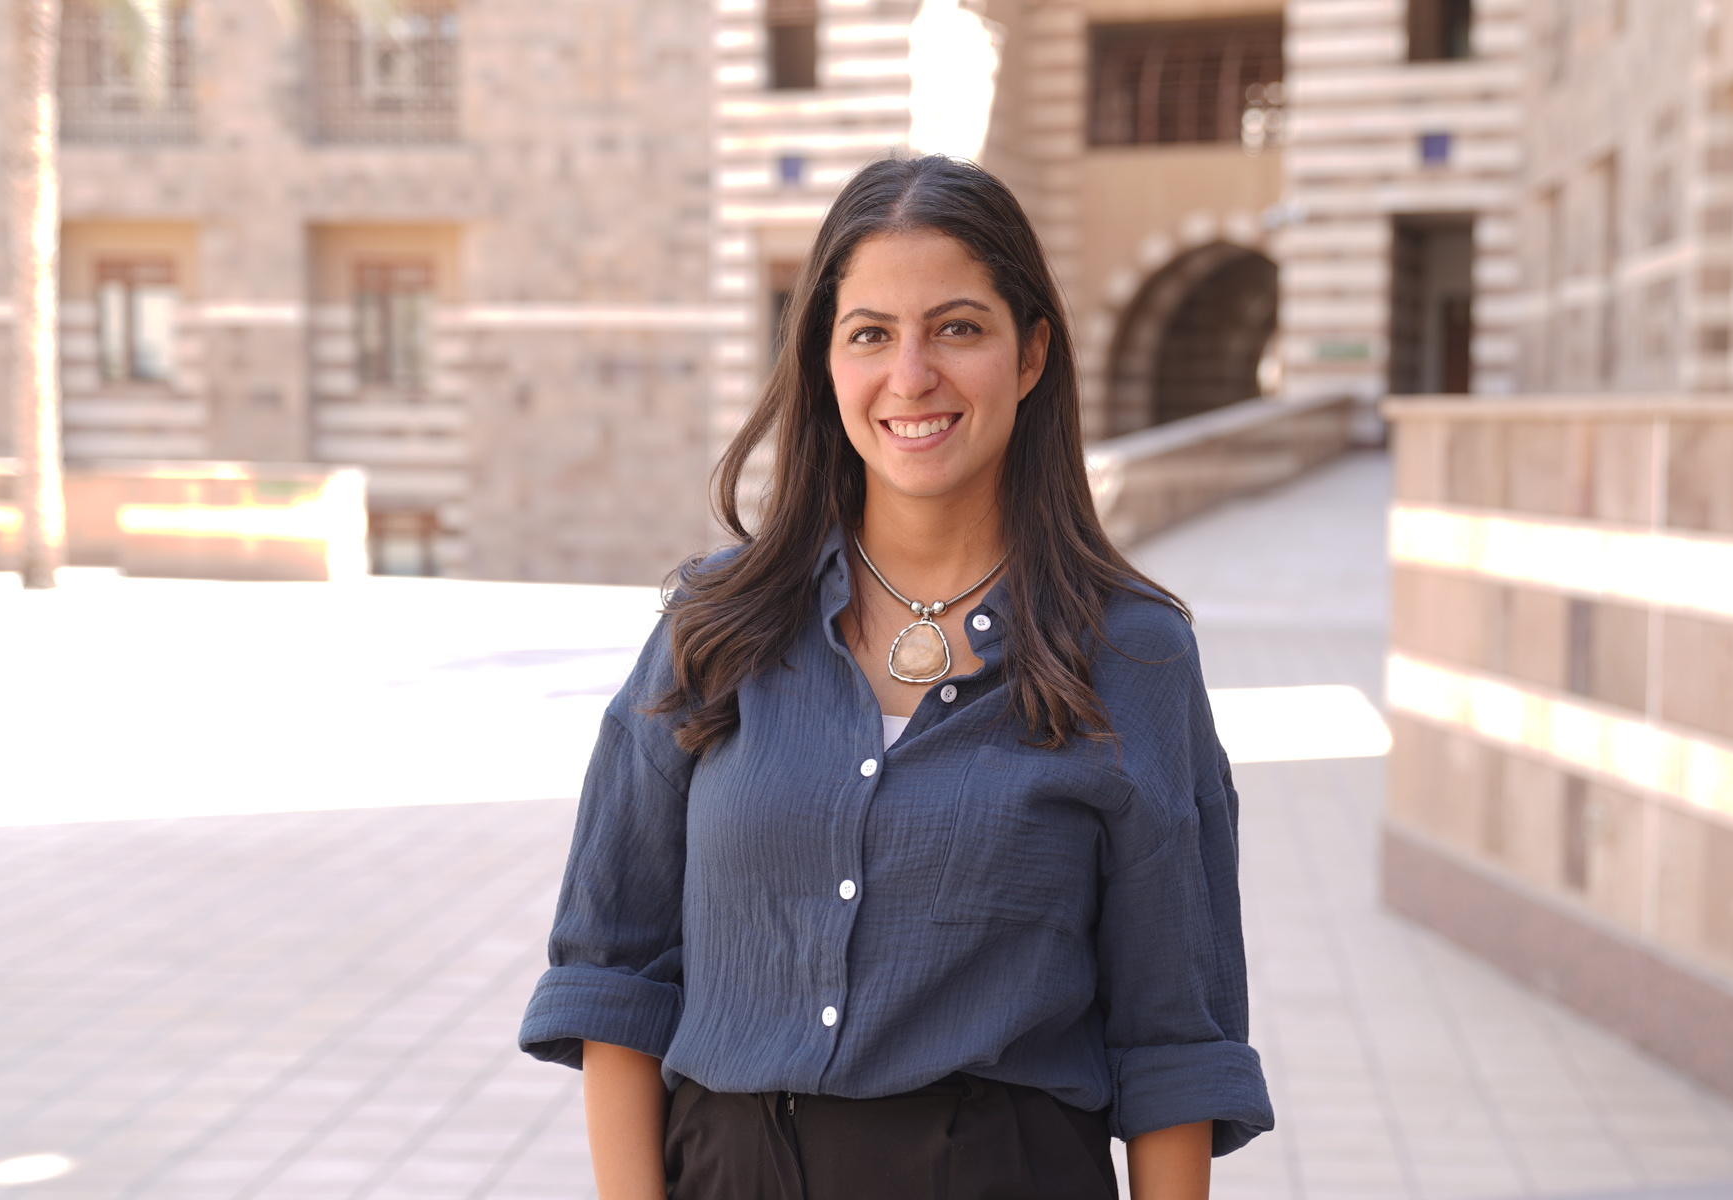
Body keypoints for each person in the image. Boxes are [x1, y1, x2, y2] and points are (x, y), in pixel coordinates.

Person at [518, 155, 1273, 1200]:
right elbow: (614, 970)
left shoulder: (1133, 656)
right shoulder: (715, 626)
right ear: (826, 361)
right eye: (870, 332)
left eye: (958, 328)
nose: (911, 375)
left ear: (1031, 353)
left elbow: (1171, 1041)